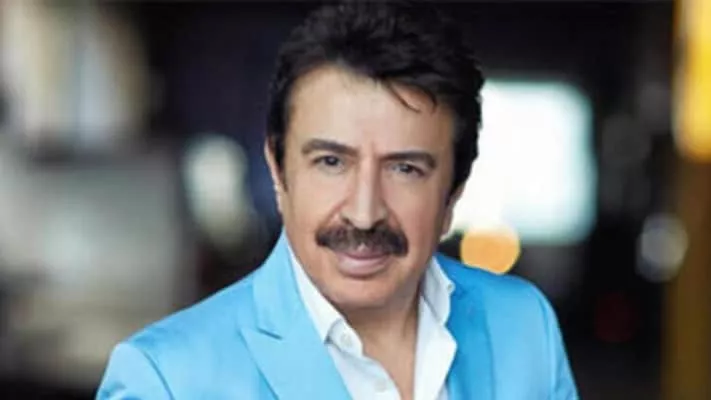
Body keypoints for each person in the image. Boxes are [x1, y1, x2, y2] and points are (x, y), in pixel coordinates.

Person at [97, 2, 578, 399]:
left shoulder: (523, 327)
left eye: (405, 169)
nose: (364, 214)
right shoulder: (165, 380)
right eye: (331, 162)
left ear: (454, 192)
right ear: (279, 171)